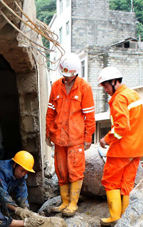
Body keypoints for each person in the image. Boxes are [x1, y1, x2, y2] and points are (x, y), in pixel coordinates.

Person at [97, 67, 143, 227]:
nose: (105, 90)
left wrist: (106, 139)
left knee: (110, 181)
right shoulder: (132, 94)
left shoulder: (119, 98)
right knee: (127, 184)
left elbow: (121, 127)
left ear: (114, 82)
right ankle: (125, 219)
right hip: (137, 147)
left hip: (123, 149)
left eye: (105, 86)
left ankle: (114, 217)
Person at [46, 52, 96, 217]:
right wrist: (48, 133)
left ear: (75, 73)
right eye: (64, 76)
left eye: (69, 76)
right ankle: (64, 202)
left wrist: (88, 137)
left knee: (75, 170)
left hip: (75, 139)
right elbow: (50, 112)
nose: (66, 79)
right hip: (59, 138)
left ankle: (73, 203)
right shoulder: (55, 87)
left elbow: (89, 116)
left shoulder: (84, 87)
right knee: (61, 170)